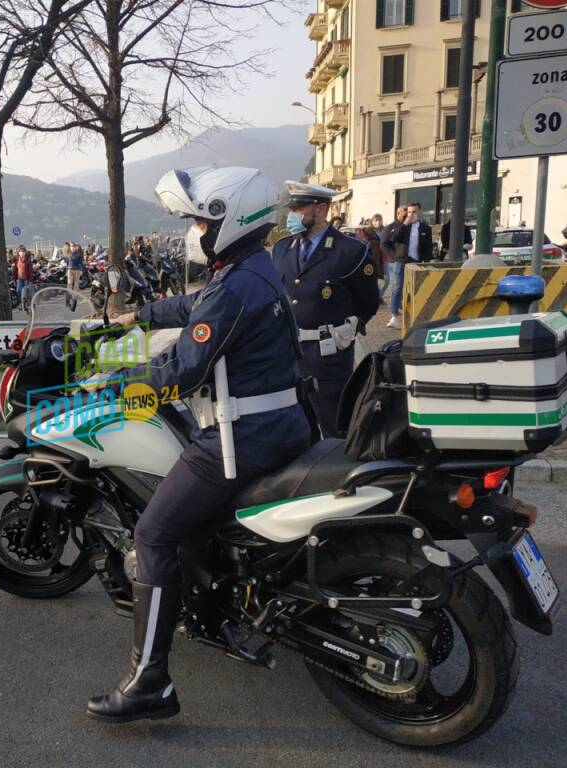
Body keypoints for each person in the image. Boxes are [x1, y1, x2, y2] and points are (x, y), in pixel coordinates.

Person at [85, 167, 311, 724]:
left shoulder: (234, 284)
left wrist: (110, 378)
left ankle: (149, 681)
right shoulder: (252, 269)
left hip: (241, 439)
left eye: (199, 220)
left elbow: (182, 370)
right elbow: (195, 308)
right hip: (285, 424)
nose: (194, 231)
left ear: (228, 219)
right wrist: (137, 314)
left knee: (154, 533)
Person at [272, 181, 380, 438]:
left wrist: (344, 331)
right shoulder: (281, 249)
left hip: (328, 357)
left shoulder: (351, 251)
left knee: (335, 428)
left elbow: (367, 303)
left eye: (299, 209)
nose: (292, 216)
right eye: (291, 209)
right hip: (290, 357)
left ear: (321, 211)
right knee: (299, 428)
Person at [386, 201, 433, 328]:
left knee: (415, 288)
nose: (411, 214)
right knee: (397, 288)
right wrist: (404, 224)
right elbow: (392, 238)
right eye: (409, 212)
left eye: (414, 212)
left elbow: (428, 246)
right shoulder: (402, 226)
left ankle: (414, 314)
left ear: (420, 212)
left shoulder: (425, 228)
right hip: (400, 260)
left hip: (416, 261)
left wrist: (427, 262)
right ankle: (394, 316)